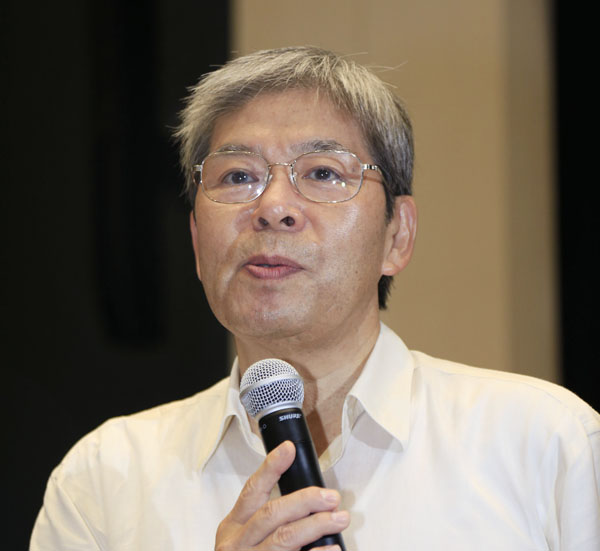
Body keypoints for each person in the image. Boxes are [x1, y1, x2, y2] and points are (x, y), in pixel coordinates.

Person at [31, 46, 599, 551]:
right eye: (237, 176)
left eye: (323, 172)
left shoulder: (548, 442)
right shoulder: (104, 481)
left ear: (397, 236)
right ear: (198, 243)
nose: (273, 207)